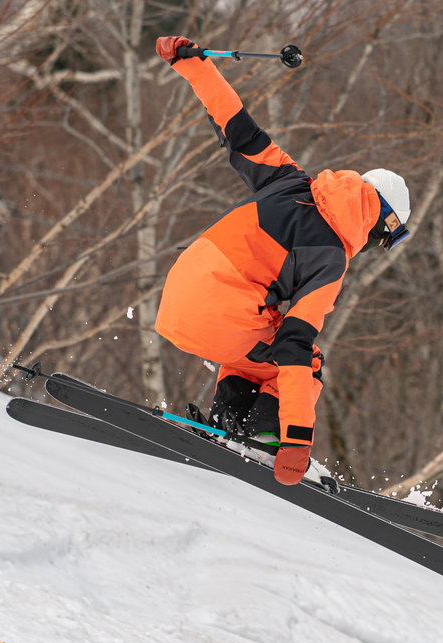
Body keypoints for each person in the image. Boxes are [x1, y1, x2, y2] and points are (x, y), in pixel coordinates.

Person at [152, 36, 411, 485]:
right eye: (382, 240)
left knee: (257, 347)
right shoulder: (330, 256)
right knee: (303, 361)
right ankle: (263, 441)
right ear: (379, 222)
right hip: (220, 313)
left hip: (178, 295)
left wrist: (191, 65)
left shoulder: (290, 178)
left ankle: (231, 428)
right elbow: (295, 348)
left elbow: (237, 128)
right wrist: (297, 440)